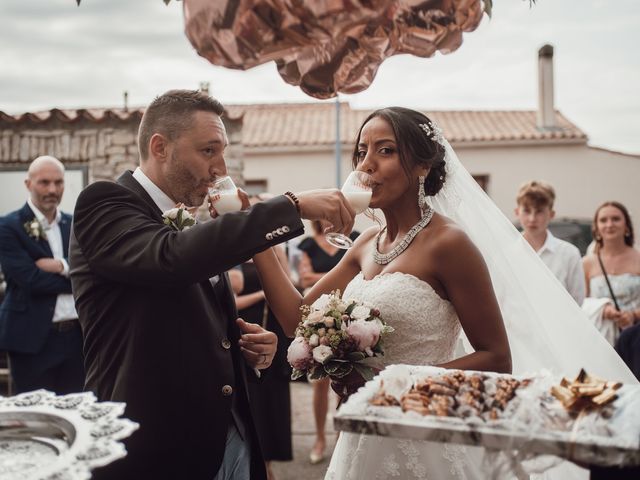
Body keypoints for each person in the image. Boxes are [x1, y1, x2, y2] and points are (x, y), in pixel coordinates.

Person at [252, 107, 636, 479]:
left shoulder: (449, 243)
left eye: (385, 150)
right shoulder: (367, 242)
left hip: (426, 435)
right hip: (363, 437)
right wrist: (255, 235)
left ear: (423, 165)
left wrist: (394, 382)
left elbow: (496, 357)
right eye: (361, 152)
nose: (365, 164)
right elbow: (295, 319)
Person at [68, 89, 356, 480]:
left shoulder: (194, 225)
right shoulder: (104, 203)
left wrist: (248, 351)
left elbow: (194, 315)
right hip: (156, 446)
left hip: (231, 436)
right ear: (160, 147)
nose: (220, 168)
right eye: (208, 151)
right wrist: (292, 205)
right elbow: (170, 258)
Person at [0, 155, 84, 394]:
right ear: (28, 184)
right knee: (35, 418)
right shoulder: (8, 227)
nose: (52, 189)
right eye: (44, 182)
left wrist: (61, 265)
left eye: (58, 183)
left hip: (77, 339)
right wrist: (77, 277)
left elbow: (93, 268)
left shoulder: (75, 224)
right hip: (31, 340)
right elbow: (30, 280)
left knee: (75, 410)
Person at [229, 195, 293, 480]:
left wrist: (273, 247)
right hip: (248, 325)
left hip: (274, 326)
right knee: (254, 397)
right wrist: (263, 294)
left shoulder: (272, 247)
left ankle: (271, 459)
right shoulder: (233, 247)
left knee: (274, 397)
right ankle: (258, 460)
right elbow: (233, 299)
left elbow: (288, 283)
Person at [297, 220, 359, 464]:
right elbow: (304, 280)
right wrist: (343, 274)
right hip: (319, 314)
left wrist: (320, 276)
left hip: (350, 314)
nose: (327, 218)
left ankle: (341, 437)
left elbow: (362, 273)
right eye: (322, 215)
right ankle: (320, 438)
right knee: (319, 381)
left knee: (346, 378)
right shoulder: (309, 244)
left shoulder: (354, 238)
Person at [515, 180, 585, 304]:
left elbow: (577, 301)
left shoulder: (569, 254)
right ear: (517, 212)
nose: (532, 218)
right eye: (526, 211)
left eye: (539, 211)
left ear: (551, 214)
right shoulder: (507, 253)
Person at [582, 201, 640, 347]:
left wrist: (633, 315)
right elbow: (579, 302)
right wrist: (602, 309)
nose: (609, 224)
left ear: (626, 225)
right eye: (603, 220)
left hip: (635, 339)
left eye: (616, 219)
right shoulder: (587, 263)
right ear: (596, 228)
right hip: (600, 340)